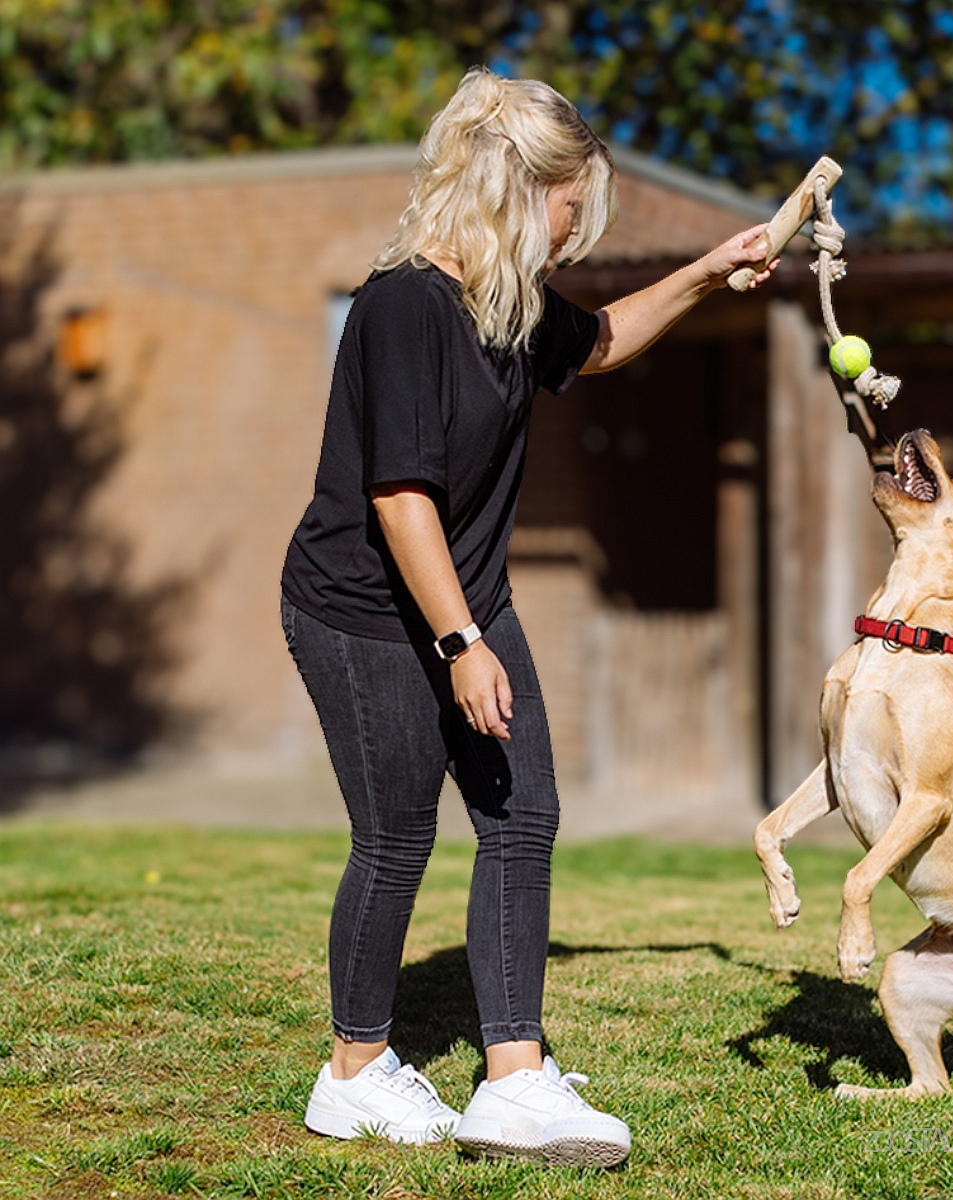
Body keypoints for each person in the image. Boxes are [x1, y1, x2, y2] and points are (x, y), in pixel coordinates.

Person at [280, 66, 777, 1167]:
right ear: (520, 185)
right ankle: (352, 1072)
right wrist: (461, 644)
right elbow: (399, 499)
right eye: (569, 205)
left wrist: (705, 272)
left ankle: (513, 1083)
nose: (573, 226)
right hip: (364, 610)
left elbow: (595, 342)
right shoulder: (407, 301)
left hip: (465, 597)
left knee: (521, 814)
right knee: (397, 833)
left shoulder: (506, 308)